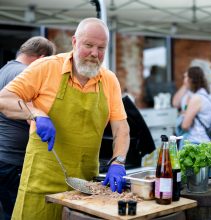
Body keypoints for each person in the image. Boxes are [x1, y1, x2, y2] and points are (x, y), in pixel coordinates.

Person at [0, 18, 130, 220]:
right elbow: (5, 98)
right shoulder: (46, 67)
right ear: (75, 42)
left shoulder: (109, 80)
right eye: (88, 45)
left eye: (101, 48)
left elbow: (121, 128)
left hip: (84, 185)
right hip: (41, 181)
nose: (95, 53)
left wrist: (118, 162)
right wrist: (37, 114)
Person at [0, 36, 56, 220]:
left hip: (3, 156)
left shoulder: (4, 70)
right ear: (41, 59)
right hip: (13, 159)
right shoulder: (24, 75)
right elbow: (31, 117)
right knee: (17, 212)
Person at [180, 66, 211, 147]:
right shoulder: (207, 94)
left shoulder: (196, 98)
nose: (184, 81)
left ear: (191, 80)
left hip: (196, 142)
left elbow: (185, 126)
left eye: (186, 77)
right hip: (206, 140)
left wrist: (184, 116)